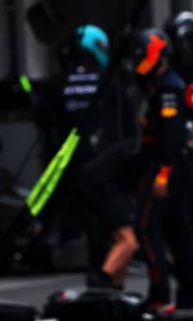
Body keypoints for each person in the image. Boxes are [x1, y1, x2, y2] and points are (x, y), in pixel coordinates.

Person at [125, 29, 193, 318]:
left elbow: (171, 138)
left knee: (146, 226)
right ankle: (192, 291)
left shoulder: (168, 89)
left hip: (168, 167)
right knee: (177, 229)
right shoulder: (158, 86)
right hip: (171, 165)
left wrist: (162, 175)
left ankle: (161, 295)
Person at [55, 25, 140, 288]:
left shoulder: (61, 81)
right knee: (118, 231)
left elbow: (51, 125)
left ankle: (102, 277)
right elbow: (127, 126)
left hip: (72, 165)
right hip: (106, 169)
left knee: (93, 224)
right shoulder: (110, 81)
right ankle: (104, 282)